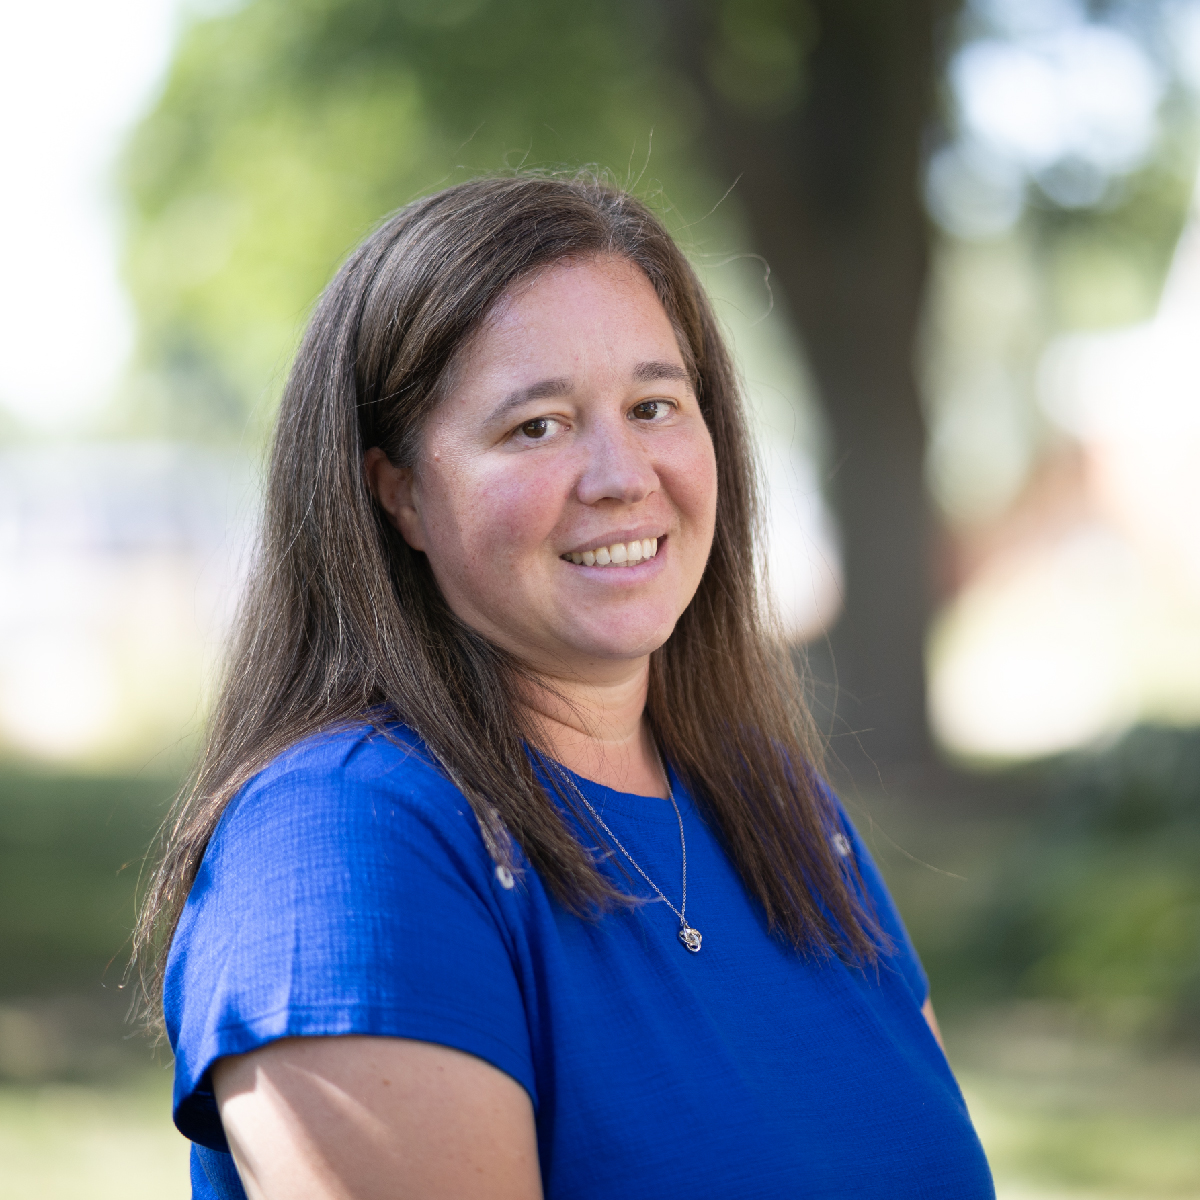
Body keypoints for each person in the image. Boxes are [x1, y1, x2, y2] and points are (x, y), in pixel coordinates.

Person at [136, 174, 995, 1199]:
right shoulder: (341, 847)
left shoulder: (780, 810)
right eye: (536, 426)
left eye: (654, 405)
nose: (623, 474)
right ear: (396, 490)